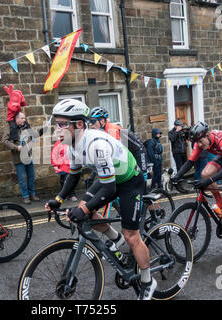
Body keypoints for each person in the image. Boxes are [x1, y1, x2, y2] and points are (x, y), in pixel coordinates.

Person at [45, 98, 157, 300]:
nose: (57, 129)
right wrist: (58, 199)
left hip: (130, 180)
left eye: (62, 124)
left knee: (132, 236)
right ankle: (117, 240)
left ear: (79, 124)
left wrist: (84, 209)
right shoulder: (72, 143)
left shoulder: (96, 144)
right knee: (85, 209)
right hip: (110, 178)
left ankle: (148, 281)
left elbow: (109, 188)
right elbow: (74, 175)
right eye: (56, 124)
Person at [171, 121, 222, 250]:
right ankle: (220, 202)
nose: (198, 145)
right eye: (196, 142)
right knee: (205, 174)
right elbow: (190, 162)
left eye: (200, 141)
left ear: (207, 135)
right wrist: (176, 177)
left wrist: (208, 182)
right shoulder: (200, 143)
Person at [2, 111, 39, 204]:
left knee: (31, 176)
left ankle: (32, 194)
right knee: (22, 178)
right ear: (17, 119)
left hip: (28, 156)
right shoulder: (10, 127)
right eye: (22, 118)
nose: (24, 120)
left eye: (24, 118)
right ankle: (25, 196)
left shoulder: (26, 126)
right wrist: (15, 147)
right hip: (18, 157)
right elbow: (4, 140)